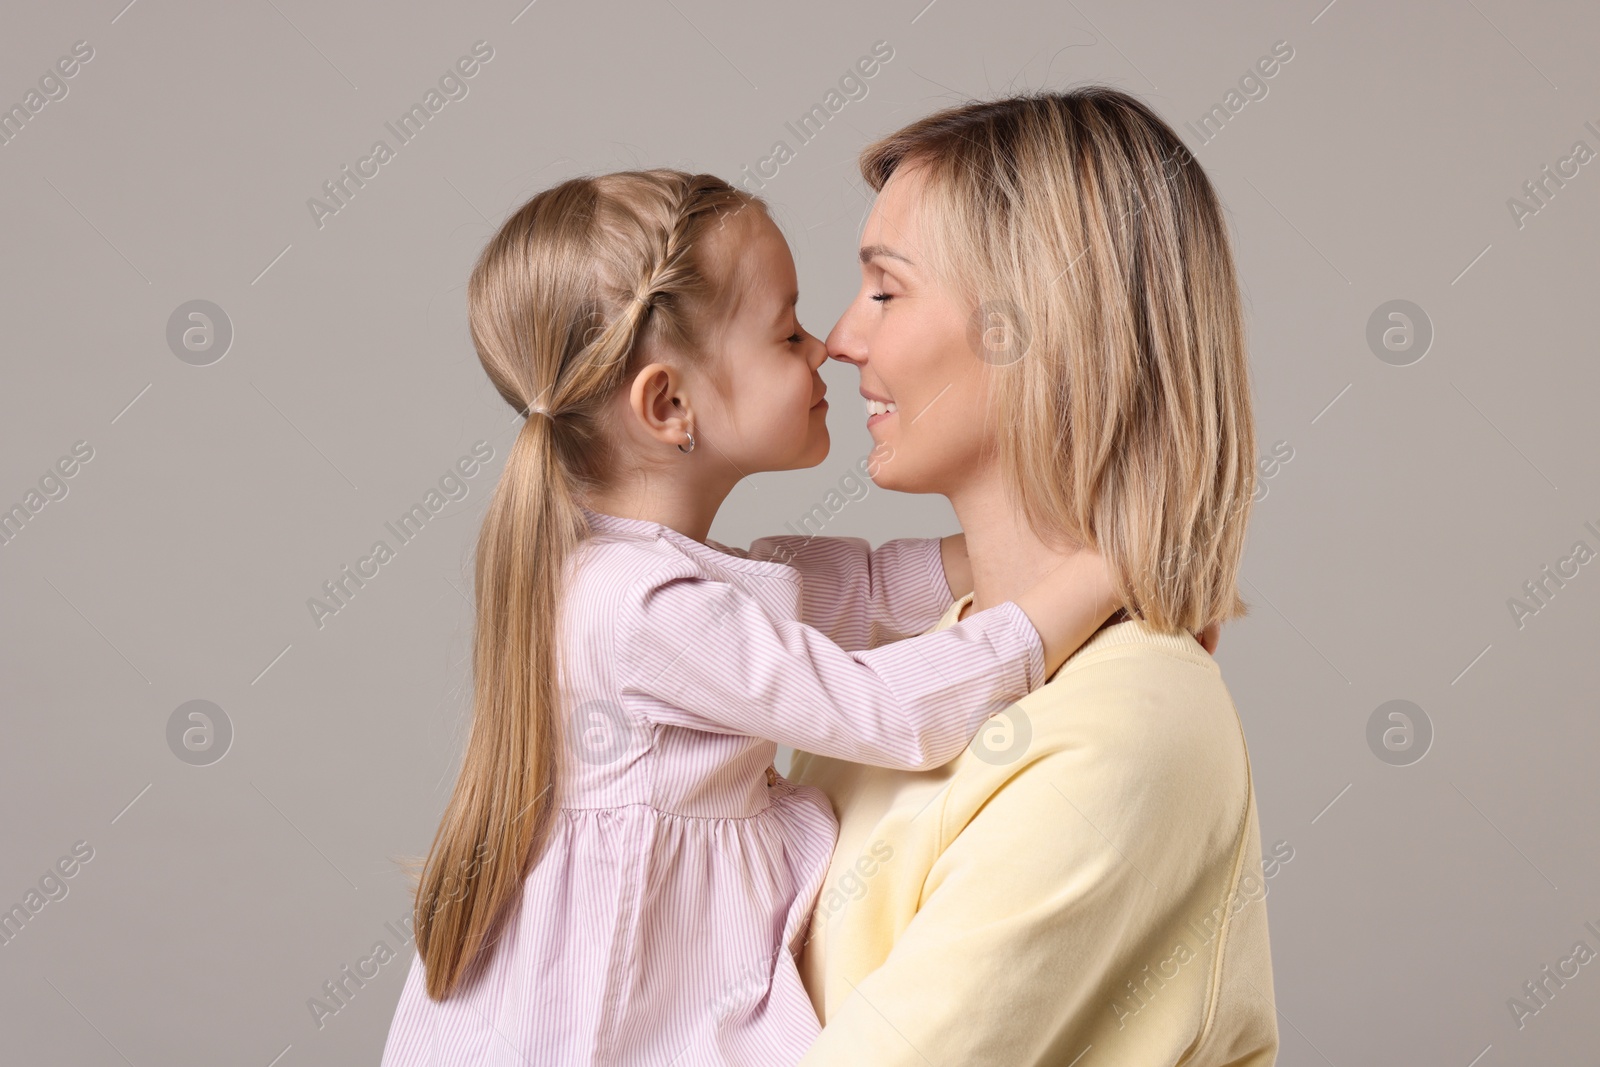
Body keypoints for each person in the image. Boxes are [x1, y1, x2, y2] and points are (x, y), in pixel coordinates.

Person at [379, 168, 1125, 1065]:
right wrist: (1104, 573)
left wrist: (1042, 536)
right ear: (668, 405)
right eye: (786, 332)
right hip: (613, 1024)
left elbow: (873, 586)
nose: (826, 348)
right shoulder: (639, 607)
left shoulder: (679, 577)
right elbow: (885, 713)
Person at [790, 88, 1279, 1065]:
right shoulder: (906, 672)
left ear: (1038, 327)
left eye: (887, 289)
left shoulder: (1127, 726)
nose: (841, 338)